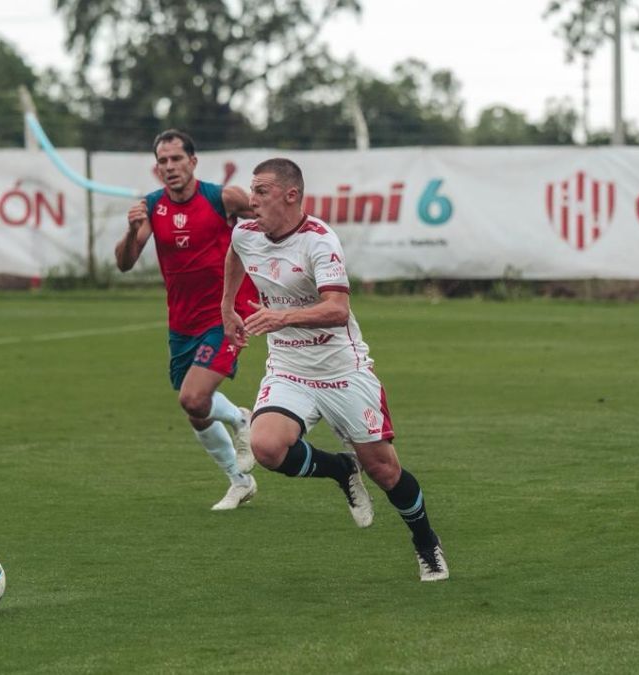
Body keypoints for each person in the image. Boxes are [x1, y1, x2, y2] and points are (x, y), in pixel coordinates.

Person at [221, 158, 449, 581]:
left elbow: (337, 309)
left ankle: (425, 541)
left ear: (291, 195)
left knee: (384, 470)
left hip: (343, 370)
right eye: (251, 191)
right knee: (266, 447)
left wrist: (282, 318)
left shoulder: (319, 241)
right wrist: (227, 306)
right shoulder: (246, 233)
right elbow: (236, 252)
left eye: (262, 191)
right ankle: (340, 470)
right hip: (289, 367)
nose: (252, 200)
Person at [115, 129, 261, 511]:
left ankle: (243, 420)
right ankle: (239, 480)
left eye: (176, 159)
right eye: (162, 161)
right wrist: (132, 231)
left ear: (193, 162)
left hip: (226, 314)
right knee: (195, 410)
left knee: (194, 397)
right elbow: (125, 263)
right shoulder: (151, 207)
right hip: (182, 322)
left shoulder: (221, 198)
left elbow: (268, 221)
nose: (169, 167)